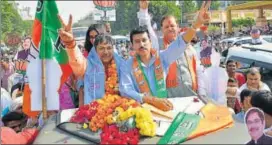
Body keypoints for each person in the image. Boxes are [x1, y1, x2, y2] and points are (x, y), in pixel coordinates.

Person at [137, 0, 207, 98]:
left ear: (178, 27)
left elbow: (199, 71)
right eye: (166, 27)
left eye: (172, 26)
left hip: (191, 97)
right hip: (169, 99)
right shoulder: (156, 48)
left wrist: (202, 93)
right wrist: (144, 10)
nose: (170, 28)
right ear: (162, 30)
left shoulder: (189, 47)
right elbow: (143, 31)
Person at [58, 15, 124, 105]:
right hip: (94, 111)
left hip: (119, 110)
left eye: (109, 48)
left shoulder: (121, 64)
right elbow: (78, 66)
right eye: (101, 48)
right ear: (95, 50)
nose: (106, 52)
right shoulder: (89, 63)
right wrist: (70, 44)